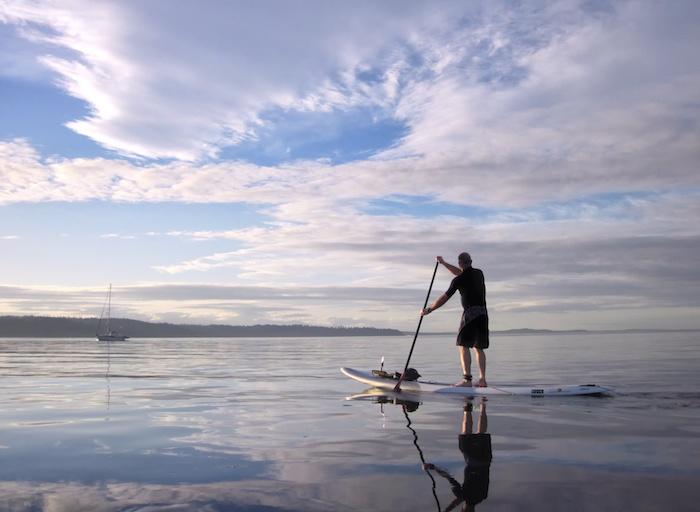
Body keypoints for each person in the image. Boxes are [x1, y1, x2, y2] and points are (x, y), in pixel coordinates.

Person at [421, 253, 489, 387]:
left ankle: (467, 380)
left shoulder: (458, 280)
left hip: (470, 315)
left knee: (463, 345)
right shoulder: (479, 273)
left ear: (460, 263)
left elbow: (444, 298)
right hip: (483, 314)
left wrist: (429, 310)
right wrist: (444, 263)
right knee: (478, 347)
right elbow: (461, 273)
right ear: (471, 261)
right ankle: (482, 380)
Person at [424, 399, 492, 512]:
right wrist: (433, 467)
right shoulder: (463, 496)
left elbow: (458, 501)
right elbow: (449, 477)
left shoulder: (482, 497)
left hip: (486, 460)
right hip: (473, 460)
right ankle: (467, 405)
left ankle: (483, 405)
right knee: (466, 436)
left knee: (482, 433)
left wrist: (448, 509)